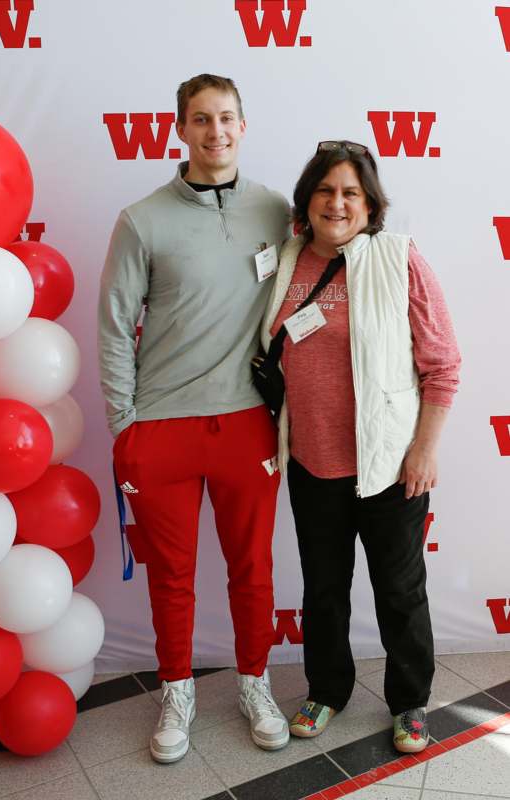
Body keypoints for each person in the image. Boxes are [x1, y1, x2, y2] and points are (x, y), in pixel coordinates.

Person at [98, 74, 291, 764]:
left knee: (252, 569)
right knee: (171, 576)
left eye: (228, 118)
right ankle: (176, 691)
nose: (216, 132)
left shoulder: (275, 209)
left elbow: (322, 275)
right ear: (180, 129)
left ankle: (253, 683)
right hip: (161, 429)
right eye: (202, 120)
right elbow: (115, 326)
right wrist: (125, 423)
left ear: (244, 124)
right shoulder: (142, 219)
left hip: (245, 425)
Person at [261, 141, 461, 753]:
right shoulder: (284, 260)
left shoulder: (400, 259)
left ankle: (410, 702)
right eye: (325, 191)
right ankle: (327, 688)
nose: (337, 203)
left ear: (371, 204)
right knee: (323, 588)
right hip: (311, 461)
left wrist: (424, 450)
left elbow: (443, 365)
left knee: (400, 592)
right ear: (307, 201)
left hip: (390, 464)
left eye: (351, 192)